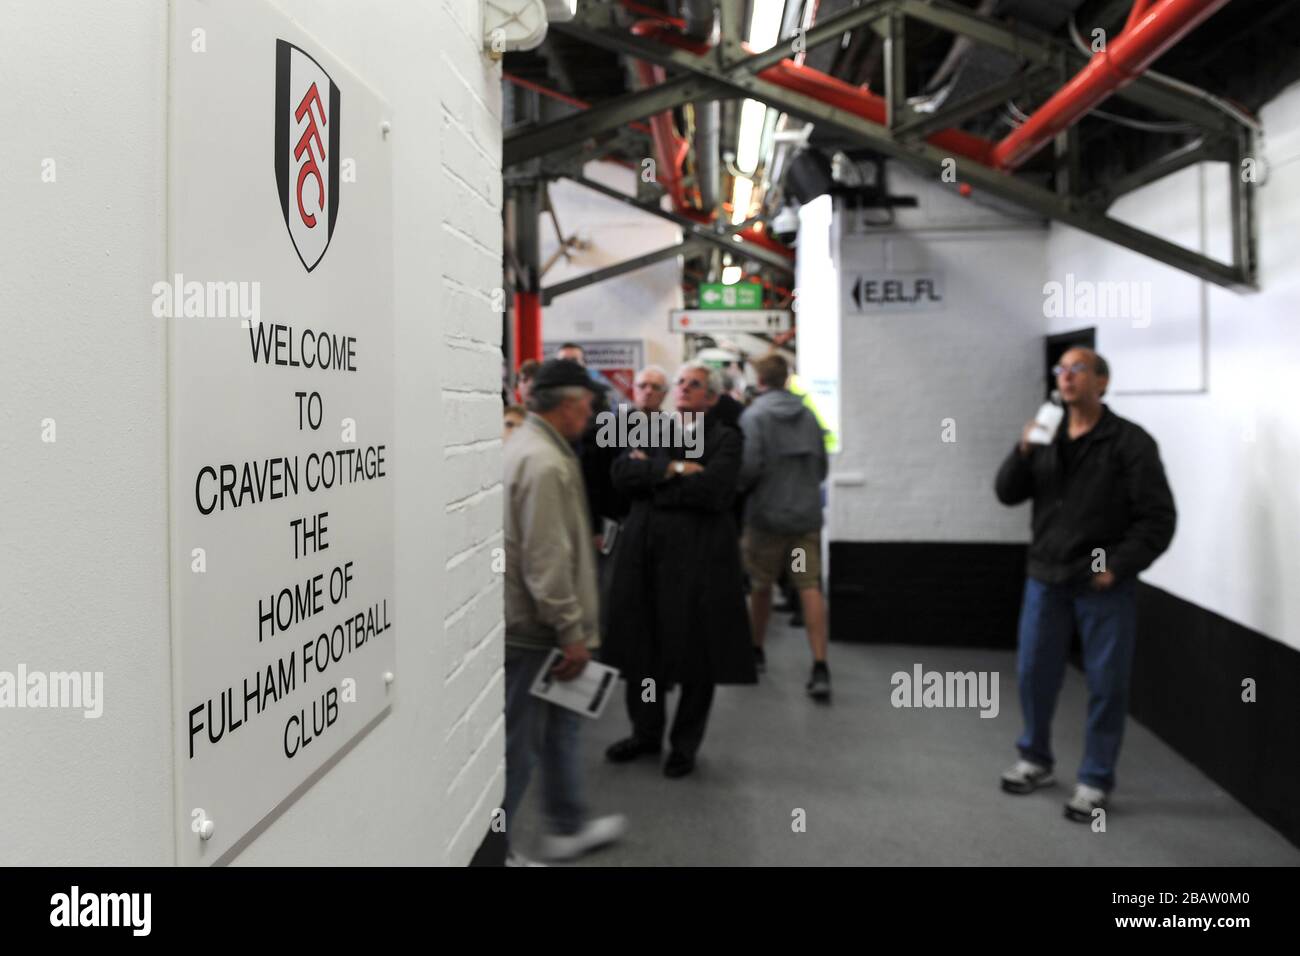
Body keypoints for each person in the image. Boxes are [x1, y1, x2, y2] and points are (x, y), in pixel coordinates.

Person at [995, 347, 1175, 822]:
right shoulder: (1047, 435)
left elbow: (1158, 519)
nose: (1066, 376)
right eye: (1062, 369)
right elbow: (1007, 493)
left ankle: (1095, 780)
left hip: (1101, 583)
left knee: (1106, 683)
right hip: (1045, 575)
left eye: (1077, 369)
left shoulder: (1129, 443)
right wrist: (1024, 449)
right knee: (1035, 673)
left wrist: (1116, 565)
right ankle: (1034, 759)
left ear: (1102, 383)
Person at [601, 363, 756, 778]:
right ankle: (645, 733)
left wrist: (652, 484)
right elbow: (620, 476)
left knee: (696, 652)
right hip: (645, 555)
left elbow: (715, 491)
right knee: (643, 645)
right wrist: (673, 469)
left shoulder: (727, 438)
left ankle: (684, 744)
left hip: (700, 560)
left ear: (711, 398)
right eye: (681, 383)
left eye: (695, 385)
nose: (683, 389)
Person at [502, 359, 627, 863]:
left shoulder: (531, 449)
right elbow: (547, 559)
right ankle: (498, 850)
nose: (593, 411)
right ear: (570, 404)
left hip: (538, 626)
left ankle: (566, 822)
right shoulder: (546, 462)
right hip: (538, 632)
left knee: (561, 728)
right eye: (588, 403)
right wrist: (571, 632)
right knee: (517, 747)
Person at [738, 354, 831, 699]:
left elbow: (748, 468)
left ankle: (756, 652)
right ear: (787, 378)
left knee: (760, 585)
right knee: (808, 586)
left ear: (760, 381)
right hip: (803, 521)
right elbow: (821, 467)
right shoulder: (808, 416)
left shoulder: (754, 416)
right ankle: (820, 666)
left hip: (766, 521)